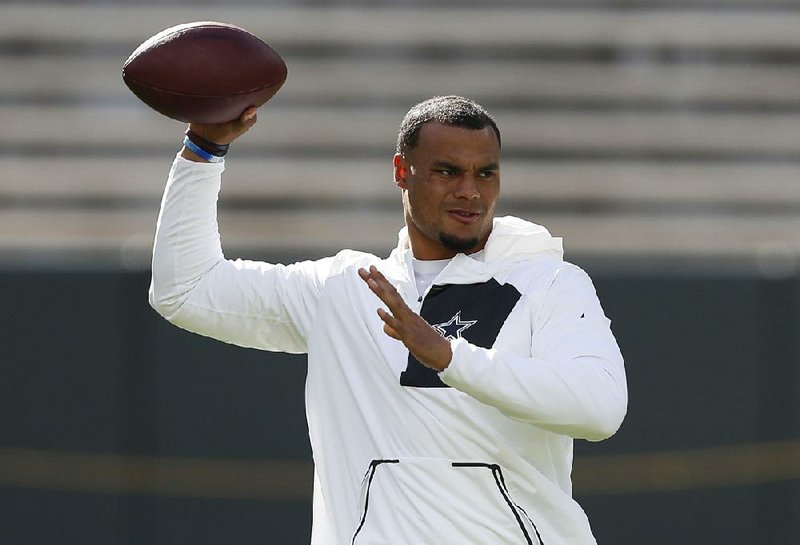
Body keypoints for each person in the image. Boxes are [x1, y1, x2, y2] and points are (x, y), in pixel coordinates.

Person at [150, 95, 628, 545]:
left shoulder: (550, 282)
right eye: (447, 171)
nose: (470, 191)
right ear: (402, 171)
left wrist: (449, 356)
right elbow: (185, 291)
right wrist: (204, 149)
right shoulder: (343, 288)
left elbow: (599, 408)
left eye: (486, 174)